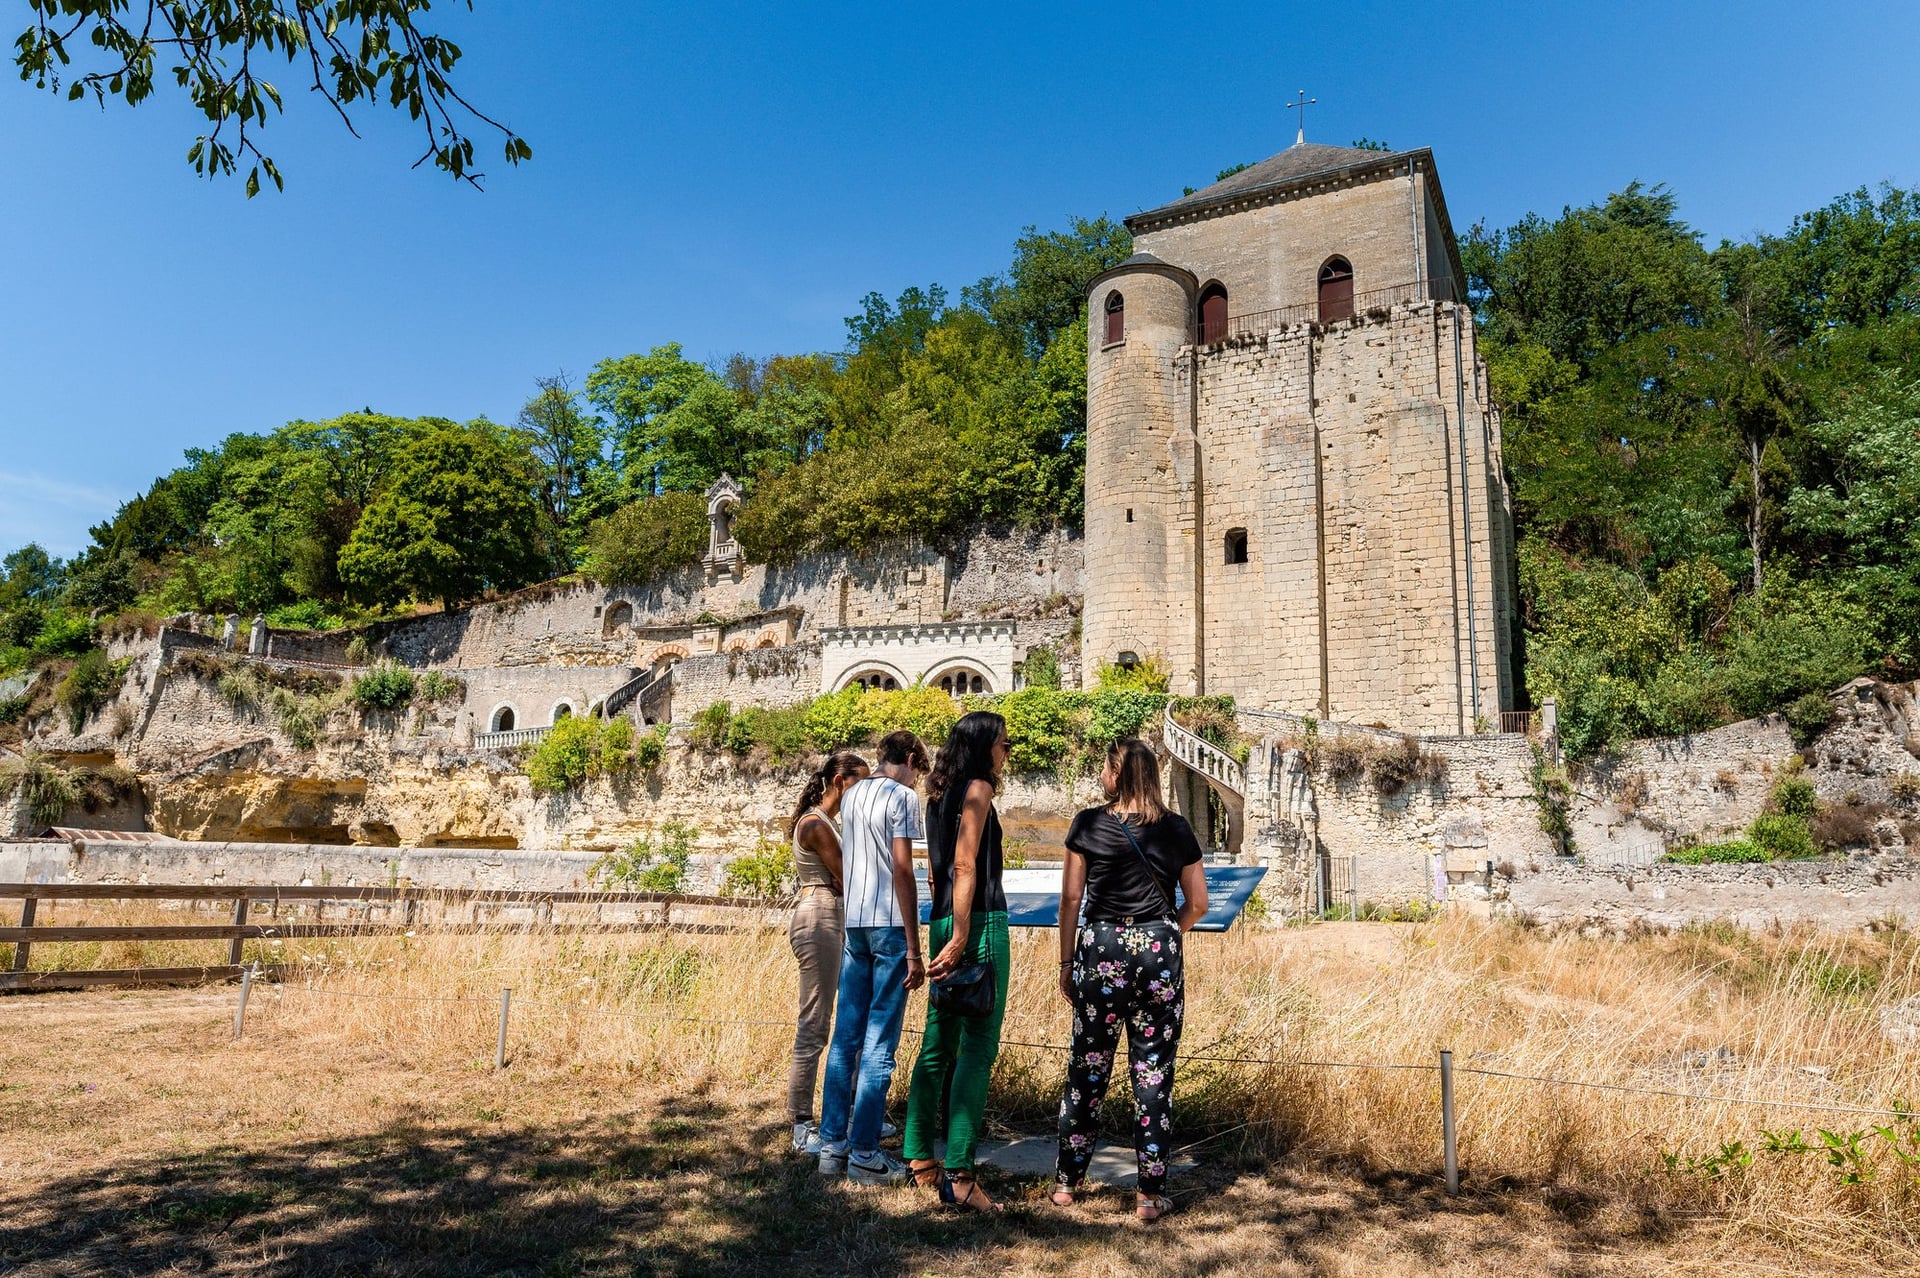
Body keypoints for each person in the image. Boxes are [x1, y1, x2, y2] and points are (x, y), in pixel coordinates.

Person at [1051, 738, 1209, 1221]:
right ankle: (1148, 1194)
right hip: (1157, 951)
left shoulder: (1089, 824)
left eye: (1105, 766)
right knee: (1154, 1070)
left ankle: (1067, 1183)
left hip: (1101, 950)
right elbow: (1198, 902)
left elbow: (1071, 901)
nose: (1100, 773)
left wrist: (1065, 963)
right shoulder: (1176, 828)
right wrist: (1163, 933)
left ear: (1118, 773)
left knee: (1088, 1067)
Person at [903, 710, 1012, 1211]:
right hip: (979, 922)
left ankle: (919, 1157)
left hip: (942, 918)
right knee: (977, 1046)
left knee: (936, 1043)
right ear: (984, 745)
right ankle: (962, 1175)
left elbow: (934, 871)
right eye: (1003, 743)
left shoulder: (935, 797)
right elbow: (966, 863)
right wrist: (967, 929)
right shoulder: (978, 791)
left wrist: (947, 924)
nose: (1007, 751)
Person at [815, 729, 930, 1185]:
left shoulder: (854, 794)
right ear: (907, 759)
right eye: (918, 771)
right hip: (887, 922)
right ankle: (865, 1152)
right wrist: (914, 945)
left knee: (846, 1038)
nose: (918, 780)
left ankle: (832, 1145)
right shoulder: (901, 798)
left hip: (855, 921)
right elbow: (903, 868)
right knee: (881, 1041)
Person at [785, 750, 869, 1155]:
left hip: (831, 914)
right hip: (819, 915)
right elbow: (846, 874)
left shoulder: (828, 823)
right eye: (860, 782)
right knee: (815, 1022)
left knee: (846, 1019)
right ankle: (801, 1123)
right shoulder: (816, 824)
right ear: (840, 782)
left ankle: (849, 1115)